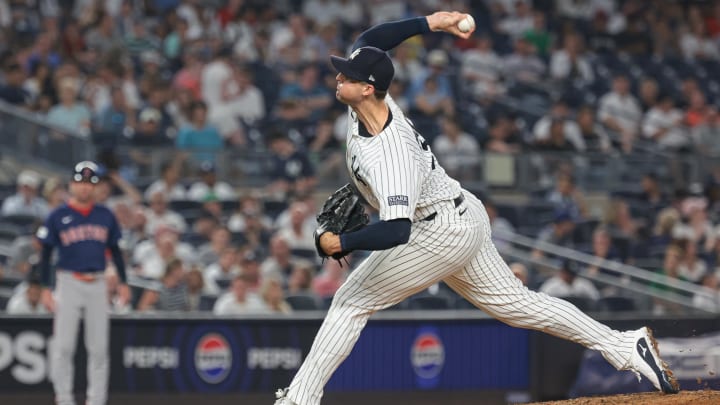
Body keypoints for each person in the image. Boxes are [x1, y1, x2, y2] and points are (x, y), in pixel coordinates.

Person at [274, 11, 678, 405]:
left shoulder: (391, 154)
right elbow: (371, 40)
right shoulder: (366, 101)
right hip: (460, 213)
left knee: (351, 301)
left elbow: (397, 231)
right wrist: (432, 22)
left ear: (367, 88)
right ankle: (625, 345)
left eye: (347, 75)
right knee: (518, 305)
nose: (339, 76)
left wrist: (340, 241)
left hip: (436, 231)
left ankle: (298, 399)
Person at [36, 161, 130, 405]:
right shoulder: (58, 215)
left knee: (99, 348)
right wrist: (46, 288)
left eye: (90, 183)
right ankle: (64, 399)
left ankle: (96, 400)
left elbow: (116, 251)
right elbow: (45, 255)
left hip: (98, 283)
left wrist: (123, 283)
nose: (85, 188)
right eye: (81, 182)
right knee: (64, 346)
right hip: (68, 281)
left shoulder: (105, 215)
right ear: (71, 184)